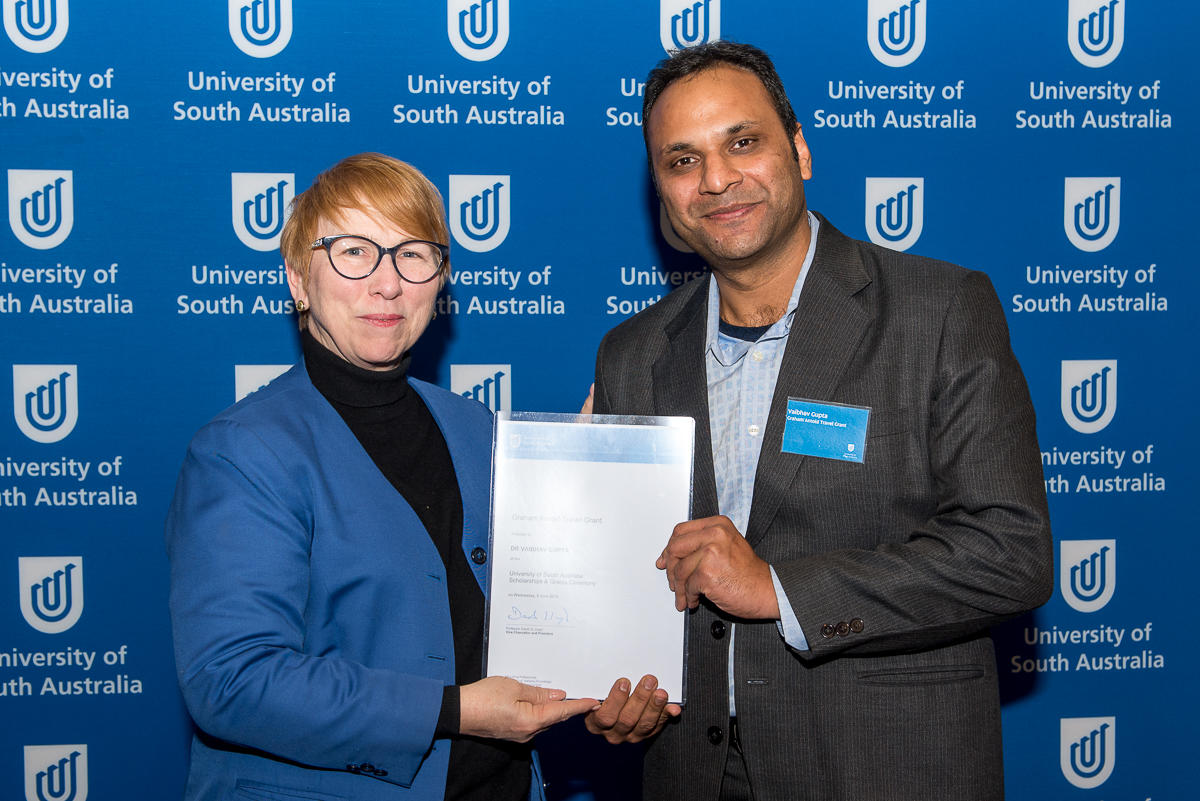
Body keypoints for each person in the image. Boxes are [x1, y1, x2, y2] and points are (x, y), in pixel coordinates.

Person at [583, 42, 1053, 800]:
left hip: (882, 768)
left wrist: (780, 589)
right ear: (663, 196)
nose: (716, 180)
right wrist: (612, 686)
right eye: (681, 161)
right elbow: (632, 584)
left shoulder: (939, 311)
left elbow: (1011, 550)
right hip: (691, 774)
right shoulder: (632, 352)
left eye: (743, 141)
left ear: (798, 150)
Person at [166, 153, 596, 801]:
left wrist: (593, 490)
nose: (386, 283)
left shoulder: (481, 429)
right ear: (297, 279)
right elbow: (231, 680)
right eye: (353, 252)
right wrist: (456, 710)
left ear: (440, 277)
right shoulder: (242, 450)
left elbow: (540, 608)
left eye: (413, 254)